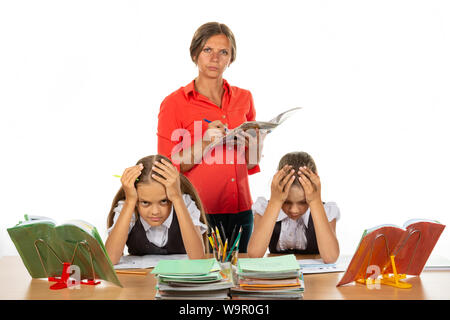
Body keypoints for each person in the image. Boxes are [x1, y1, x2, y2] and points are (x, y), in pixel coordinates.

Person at [157, 22, 264, 252]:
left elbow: (252, 163)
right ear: (195, 54)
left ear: (230, 58)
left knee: (241, 280)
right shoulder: (174, 104)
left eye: (223, 52)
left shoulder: (244, 98)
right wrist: (205, 142)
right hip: (197, 213)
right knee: (203, 280)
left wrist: (256, 144)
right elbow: (166, 168)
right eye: (208, 50)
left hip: (242, 212)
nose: (215, 58)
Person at [105, 155, 208, 264]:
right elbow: (110, 259)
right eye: (145, 203)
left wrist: (177, 198)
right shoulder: (129, 206)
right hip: (139, 280)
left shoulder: (184, 203)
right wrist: (130, 201)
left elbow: (198, 258)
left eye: (164, 201)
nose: (155, 212)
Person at [247, 152, 340, 263]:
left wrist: (315, 201)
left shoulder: (326, 211)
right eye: (286, 202)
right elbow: (254, 254)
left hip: (313, 278)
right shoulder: (265, 208)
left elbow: (331, 258)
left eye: (303, 202)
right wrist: (275, 201)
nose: (294, 210)